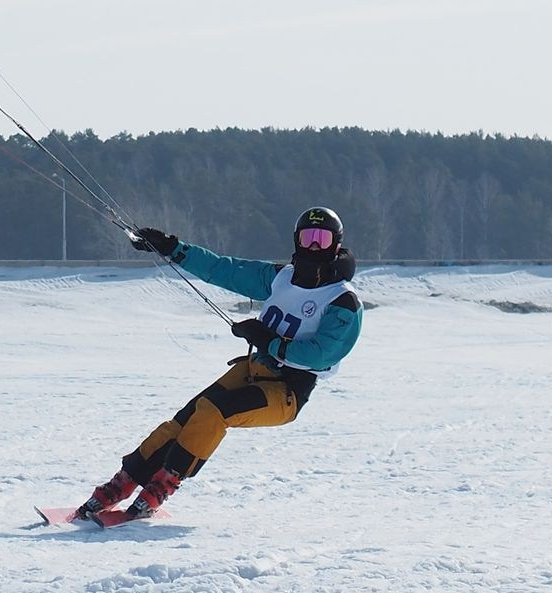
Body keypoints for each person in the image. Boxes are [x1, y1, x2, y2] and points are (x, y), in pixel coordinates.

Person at [75, 207, 363, 522]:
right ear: (297, 240)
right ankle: (123, 481)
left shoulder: (342, 301)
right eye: (308, 238)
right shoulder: (282, 277)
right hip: (253, 369)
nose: (314, 247)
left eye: (322, 239)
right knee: (183, 422)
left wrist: (266, 339)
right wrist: (173, 248)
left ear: (336, 244)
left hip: (288, 390)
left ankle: (163, 485)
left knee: (213, 413)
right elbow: (223, 269)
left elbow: (320, 354)